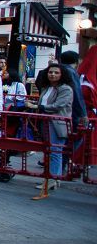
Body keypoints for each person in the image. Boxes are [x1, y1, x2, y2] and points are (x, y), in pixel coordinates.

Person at [34, 62, 74, 191]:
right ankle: (52, 178)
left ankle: (52, 179)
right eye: (51, 72)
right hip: (46, 122)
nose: (53, 74)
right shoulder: (47, 88)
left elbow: (58, 106)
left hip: (57, 123)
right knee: (50, 152)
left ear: (62, 75)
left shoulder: (65, 89)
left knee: (55, 152)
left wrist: (39, 107)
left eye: (56, 72)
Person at [58, 51, 87, 128]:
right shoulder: (71, 72)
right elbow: (77, 94)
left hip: (51, 109)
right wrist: (83, 114)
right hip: (69, 110)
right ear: (76, 62)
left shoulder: (53, 70)